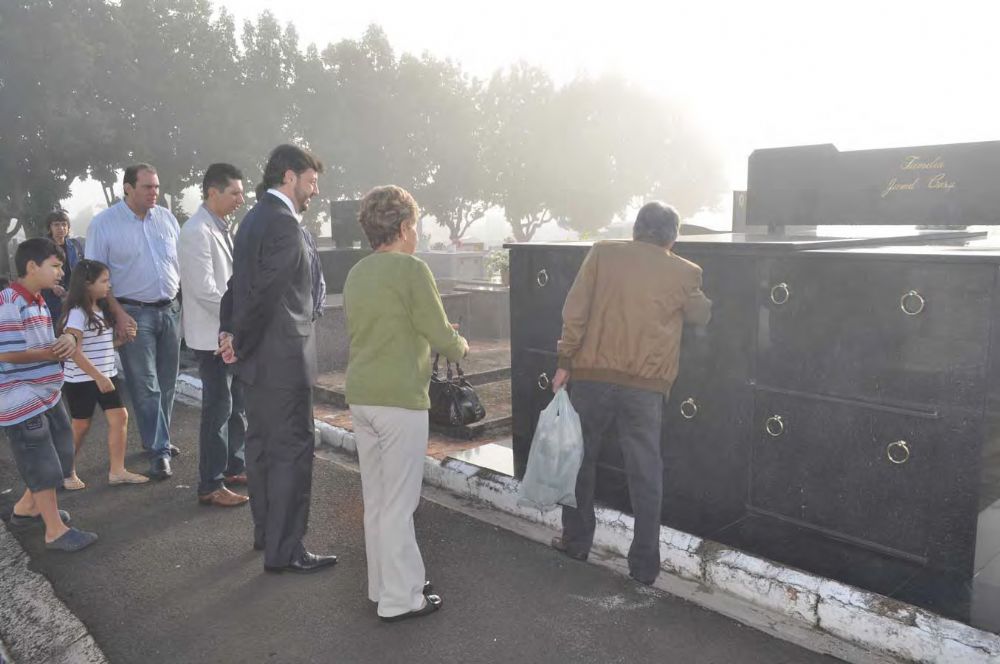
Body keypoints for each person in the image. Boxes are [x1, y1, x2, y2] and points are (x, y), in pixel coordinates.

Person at [550, 202, 712, 586]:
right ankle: (644, 565)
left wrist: (565, 360)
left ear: (636, 229)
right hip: (645, 387)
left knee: (580, 461)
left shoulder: (603, 253)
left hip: (592, 377)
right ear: (672, 236)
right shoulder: (685, 271)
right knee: (645, 472)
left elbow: (575, 310)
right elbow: (700, 315)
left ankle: (576, 541)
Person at [344, 185, 467, 622]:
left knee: (377, 500)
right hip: (399, 400)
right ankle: (403, 599)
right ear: (402, 227)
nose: (417, 232)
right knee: (400, 503)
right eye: (414, 224)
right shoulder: (413, 270)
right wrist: (460, 344)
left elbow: (383, 325)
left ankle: (384, 586)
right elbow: (441, 335)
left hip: (362, 396)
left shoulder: (358, 273)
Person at [219, 144, 336, 573]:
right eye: (310, 181)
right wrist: (240, 339)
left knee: (262, 449)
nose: (315, 190)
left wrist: (229, 332)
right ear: (289, 176)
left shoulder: (252, 219)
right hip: (282, 359)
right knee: (291, 452)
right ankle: (286, 550)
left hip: (258, 361)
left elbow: (237, 286)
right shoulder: (284, 224)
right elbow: (264, 292)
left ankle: (267, 535)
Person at [0, 238, 97, 551]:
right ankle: (55, 530)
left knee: (63, 451)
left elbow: (40, 345)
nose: (60, 272)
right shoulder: (9, 302)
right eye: (54, 266)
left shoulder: (37, 299)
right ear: (32, 267)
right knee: (41, 459)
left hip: (46, 391)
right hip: (21, 397)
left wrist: (63, 342)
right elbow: (8, 354)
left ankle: (29, 508)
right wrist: (56, 351)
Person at [86, 164, 181, 480]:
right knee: (146, 384)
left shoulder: (166, 219)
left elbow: (177, 263)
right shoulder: (104, 224)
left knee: (167, 383)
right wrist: (117, 313)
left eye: (156, 187)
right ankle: (159, 450)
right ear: (127, 188)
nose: (154, 192)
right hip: (132, 313)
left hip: (170, 310)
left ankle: (157, 437)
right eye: (147, 187)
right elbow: (94, 276)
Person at [178, 163, 249, 508]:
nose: (241, 198)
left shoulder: (221, 227)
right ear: (212, 192)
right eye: (234, 192)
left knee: (236, 406)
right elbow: (205, 290)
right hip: (213, 337)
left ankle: (235, 466)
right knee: (218, 410)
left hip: (228, 332)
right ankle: (210, 483)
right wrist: (233, 323)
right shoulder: (196, 231)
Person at [57, 259, 148, 490]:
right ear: (87, 284)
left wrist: (122, 340)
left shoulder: (100, 309)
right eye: (104, 281)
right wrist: (97, 376)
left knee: (120, 417)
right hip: (82, 379)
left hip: (107, 374)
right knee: (80, 426)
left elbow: (102, 345)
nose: (109, 286)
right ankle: (65, 472)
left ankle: (117, 471)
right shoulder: (77, 312)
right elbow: (73, 350)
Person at [41, 209, 85, 327]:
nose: (61, 228)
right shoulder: (43, 247)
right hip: (51, 296)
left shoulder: (75, 245)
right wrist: (52, 286)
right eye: (56, 225)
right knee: (57, 330)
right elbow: (37, 273)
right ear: (49, 228)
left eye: (64, 224)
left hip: (73, 295)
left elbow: (82, 269)